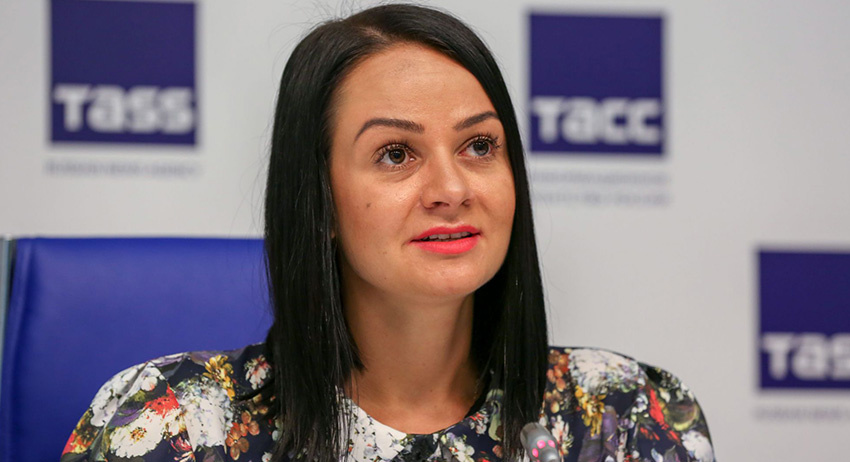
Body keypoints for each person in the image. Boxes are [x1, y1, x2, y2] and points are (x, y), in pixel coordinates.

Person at [61, 4, 714, 462]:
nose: (452, 188)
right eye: (396, 154)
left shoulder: (623, 416)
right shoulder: (174, 425)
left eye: (480, 146)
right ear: (318, 200)